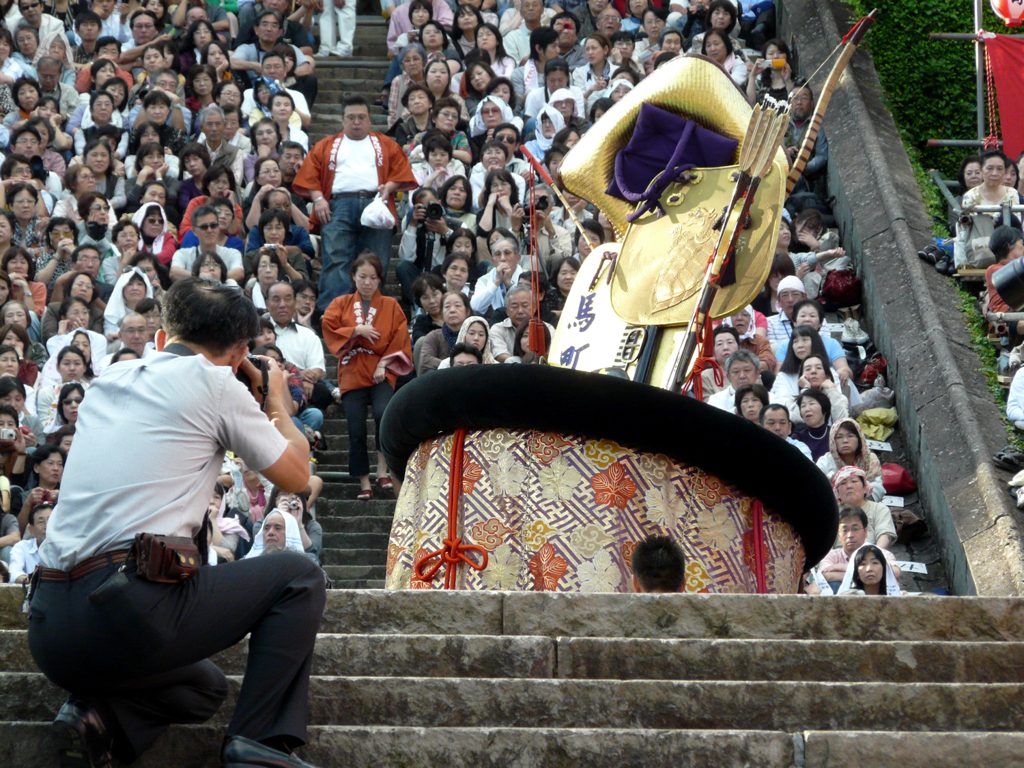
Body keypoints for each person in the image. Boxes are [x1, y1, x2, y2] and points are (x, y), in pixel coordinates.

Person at [28, 277, 325, 768]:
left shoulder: (106, 382)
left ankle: (91, 717)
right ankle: (260, 744)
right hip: (127, 610)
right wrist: (274, 400)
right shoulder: (216, 382)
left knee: (202, 688)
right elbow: (295, 476)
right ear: (237, 352)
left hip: (50, 627)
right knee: (299, 576)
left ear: (163, 336)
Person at [292, 95, 416, 312]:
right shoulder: (326, 145)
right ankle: (332, 314)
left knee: (376, 263)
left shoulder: (385, 144)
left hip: (376, 203)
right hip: (337, 205)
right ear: (343, 121)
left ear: (369, 120)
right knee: (336, 260)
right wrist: (318, 199)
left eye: (361, 117)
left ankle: (371, 313)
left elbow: (401, 170)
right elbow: (310, 173)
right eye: (351, 117)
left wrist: (389, 187)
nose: (356, 122)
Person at [322, 253, 412, 500]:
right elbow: (328, 326)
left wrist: (384, 363)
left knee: (384, 415)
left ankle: (383, 470)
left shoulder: (391, 305)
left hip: (381, 369)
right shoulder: (341, 303)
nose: (367, 282)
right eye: (362, 276)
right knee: (356, 427)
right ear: (353, 276)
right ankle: (364, 482)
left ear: (380, 279)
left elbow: (400, 337)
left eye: (373, 277)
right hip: (352, 370)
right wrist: (355, 330)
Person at [810, 507, 901, 593]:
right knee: (834, 585)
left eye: (855, 529)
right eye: (844, 530)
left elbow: (895, 572)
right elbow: (826, 576)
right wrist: (869, 577)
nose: (850, 535)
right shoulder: (831, 555)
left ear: (865, 532)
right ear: (838, 535)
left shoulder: (882, 553)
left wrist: (847, 568)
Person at [817, 418, 885, 501]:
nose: (845, 441)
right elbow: (817, 485)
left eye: (850, 436)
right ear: (833, 441)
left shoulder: (870, 459)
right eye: (839, 437)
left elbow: (879, 488)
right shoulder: (825, 461)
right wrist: (833, 477)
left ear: (859, 439)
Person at [831, 465, 896, 550]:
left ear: (865, 488)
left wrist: (872, 556)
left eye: (854, 481)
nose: (849, 486)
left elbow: (885, 535)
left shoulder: (879, 509)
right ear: (838, 492)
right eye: (843, 483)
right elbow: (826, 542)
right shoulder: (832, 513)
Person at [837, 543, 902, 596]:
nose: (869, 569)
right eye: (863, 564)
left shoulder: (899, 599)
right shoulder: (848, 599)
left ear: (884, 569)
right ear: (856, 573)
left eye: (875, 563)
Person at [9, 499, 49, 582]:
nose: (47, 526)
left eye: (51, 520)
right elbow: (14, 573)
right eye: (41, 522)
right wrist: (35, 581)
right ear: (31, 530)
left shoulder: (67, 547)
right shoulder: (22, 547)